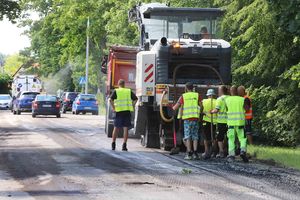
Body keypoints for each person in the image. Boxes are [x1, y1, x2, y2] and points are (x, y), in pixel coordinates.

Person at [172, 82, 202, 160]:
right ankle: (195, 153)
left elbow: (175, 107)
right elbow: (201, 106)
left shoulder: (183, 96)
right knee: (195, 136)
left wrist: (172, 107)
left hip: (187, 120)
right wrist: (199, 114)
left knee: (188, 136)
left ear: (186, 88)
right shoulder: (197, 95)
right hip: (195, 118)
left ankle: (189, 153)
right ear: (193, 88)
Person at [109, 79, 137, 151]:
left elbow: (110, 100)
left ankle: (113, 144)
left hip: (118, 112)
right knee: (125, 129)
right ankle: (124, 145)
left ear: (118, 85)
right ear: (124, 85)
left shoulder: (116, 91)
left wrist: (114, 108)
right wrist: (132, 106)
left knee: (116, 128)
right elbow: (135, 99)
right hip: (127, 112)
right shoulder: (128, 91)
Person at [225, 86, 250, 162]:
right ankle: (242, 151)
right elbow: (247, 109)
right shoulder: (242, 99)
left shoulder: (227, 100)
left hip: (231, 123)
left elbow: (227, 109)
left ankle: (231, 155)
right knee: (242, 138)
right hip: (240, 123)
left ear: (230, 91)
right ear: (237, 91)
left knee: (231, 139)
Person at [211, 85, 230, 158]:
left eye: (219, 90)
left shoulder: (219, 99)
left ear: (221, 91)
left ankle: (221, 151)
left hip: (221, 121)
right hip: (229, 121)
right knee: (229, 137)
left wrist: (212, 111)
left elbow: (217, 109)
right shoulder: (230, 98)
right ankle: (228, 151)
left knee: (220, 137)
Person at [201, 89, 217, 159]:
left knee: (206, 137)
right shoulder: (217, 101)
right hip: (215, 121)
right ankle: (214, 152)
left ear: (208, 95)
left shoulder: (203, 101)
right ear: (213, 95)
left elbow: (201, 110)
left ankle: (206, 151)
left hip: (206, 121)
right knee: (213, 137)